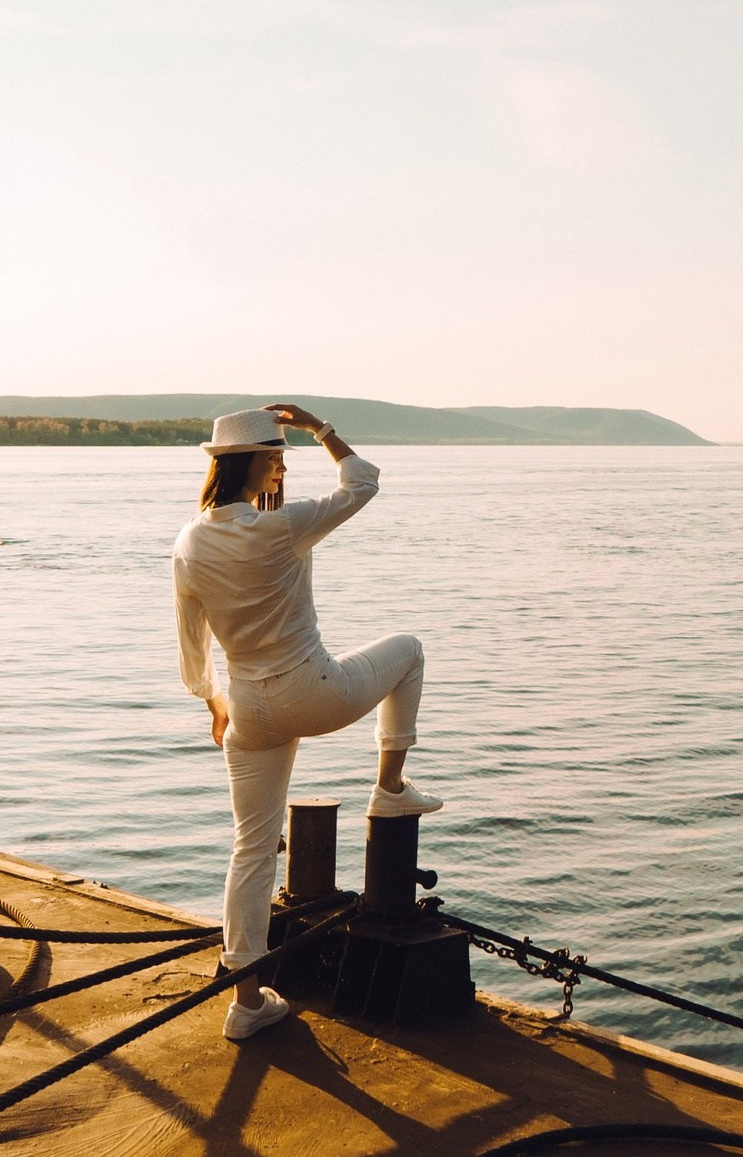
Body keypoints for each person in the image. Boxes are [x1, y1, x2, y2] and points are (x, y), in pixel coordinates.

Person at [172, 403, 439, 1041]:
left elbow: (191, 642)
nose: (283, 464)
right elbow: (362, 483)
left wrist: (213, 700)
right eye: (277, 456)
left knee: (252, 850)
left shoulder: (189, 541)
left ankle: (247, 1001)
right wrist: (321, 428)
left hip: (247, 708)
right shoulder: (285, 527)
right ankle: (391, 788)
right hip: (312, 692)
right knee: (409, 650)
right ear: (257, 464)